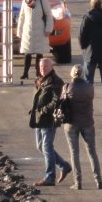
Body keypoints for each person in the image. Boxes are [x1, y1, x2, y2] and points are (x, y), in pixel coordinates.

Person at [61, 64, 102, 190]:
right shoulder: (89, 88)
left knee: (74, 153)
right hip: (88, 122)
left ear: (72, 74)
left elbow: (61, 103)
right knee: (92, 152)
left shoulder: (67, 87)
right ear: (82, 74)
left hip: (71, 123)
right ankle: (99, 180)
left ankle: (78, 182)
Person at [29, 57, 72, 187]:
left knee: (46, 147)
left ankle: (49, 178)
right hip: (38, 119)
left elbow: (55, 101)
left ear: (51, 67)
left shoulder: (56, 82)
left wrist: (43, 110)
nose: (42, 69)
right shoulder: (40, 80)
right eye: (41, 67)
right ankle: (64, 166)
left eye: (45, 67)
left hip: (49, 119)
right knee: (40, 146)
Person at [79, 0, 102, 114]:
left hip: (90, 53)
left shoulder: (87, 18)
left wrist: (84, 48)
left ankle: (88, 108)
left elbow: (82, 36)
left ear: (91, 4)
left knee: (88, 82)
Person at [18, 0, 54, 80]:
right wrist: (19, 30)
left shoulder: (42, 0)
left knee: (39, 53)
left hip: (40, 30)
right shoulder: (25, 0)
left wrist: (48, 29)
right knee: (27, 52)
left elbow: (49, 15)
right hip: (27, 30)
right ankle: (25, 73)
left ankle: (39, 73)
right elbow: (21, 16)